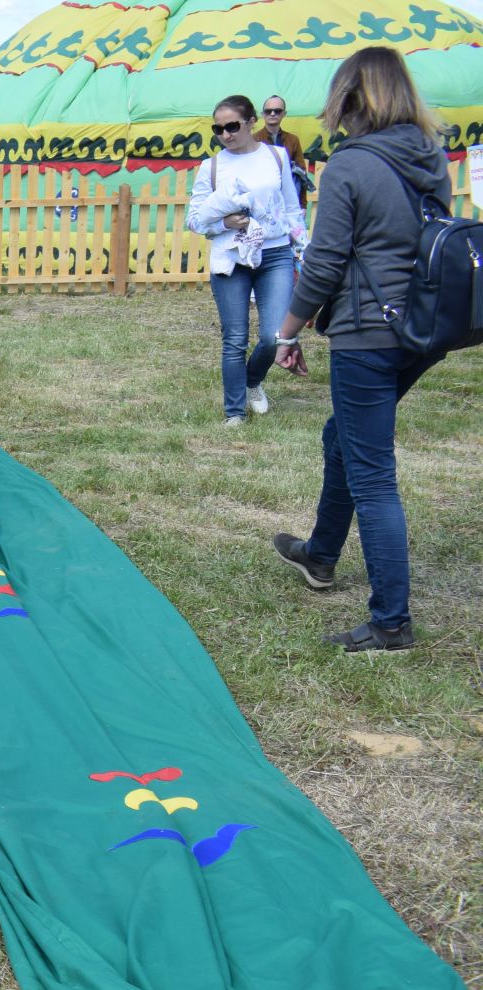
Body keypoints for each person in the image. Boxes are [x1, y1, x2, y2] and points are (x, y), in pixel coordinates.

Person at [267, 48, 451, 654]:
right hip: (420, 332)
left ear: (348, 97)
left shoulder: (350, 164)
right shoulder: (429, 155)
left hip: (366, 333)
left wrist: (287, 331)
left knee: (373, 476)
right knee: (339, 438)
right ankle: (320, 555)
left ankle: (391, 622)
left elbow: (322, 264)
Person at [187, 93, 305, 427]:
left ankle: (253, 380)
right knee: (234, 338)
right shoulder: (211, 167)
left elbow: (291, 207)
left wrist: (304, 248)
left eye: (232, 126)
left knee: (273, 335)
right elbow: (194, 219)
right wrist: (225, 223)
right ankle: (234, 412)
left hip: (275, 253)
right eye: (218, 129)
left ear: (251, 122)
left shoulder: (277, 157)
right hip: (231, 258)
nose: (226, 134)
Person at [256, 95, 312, 210]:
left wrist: (303, 205)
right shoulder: (254, 139)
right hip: (263, 201)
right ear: (262, 114)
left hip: (289, 200)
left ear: (284, 114)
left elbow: (301, 174)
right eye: (268, 111)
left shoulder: (293, 140)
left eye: (277, 111)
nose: (272, 114)